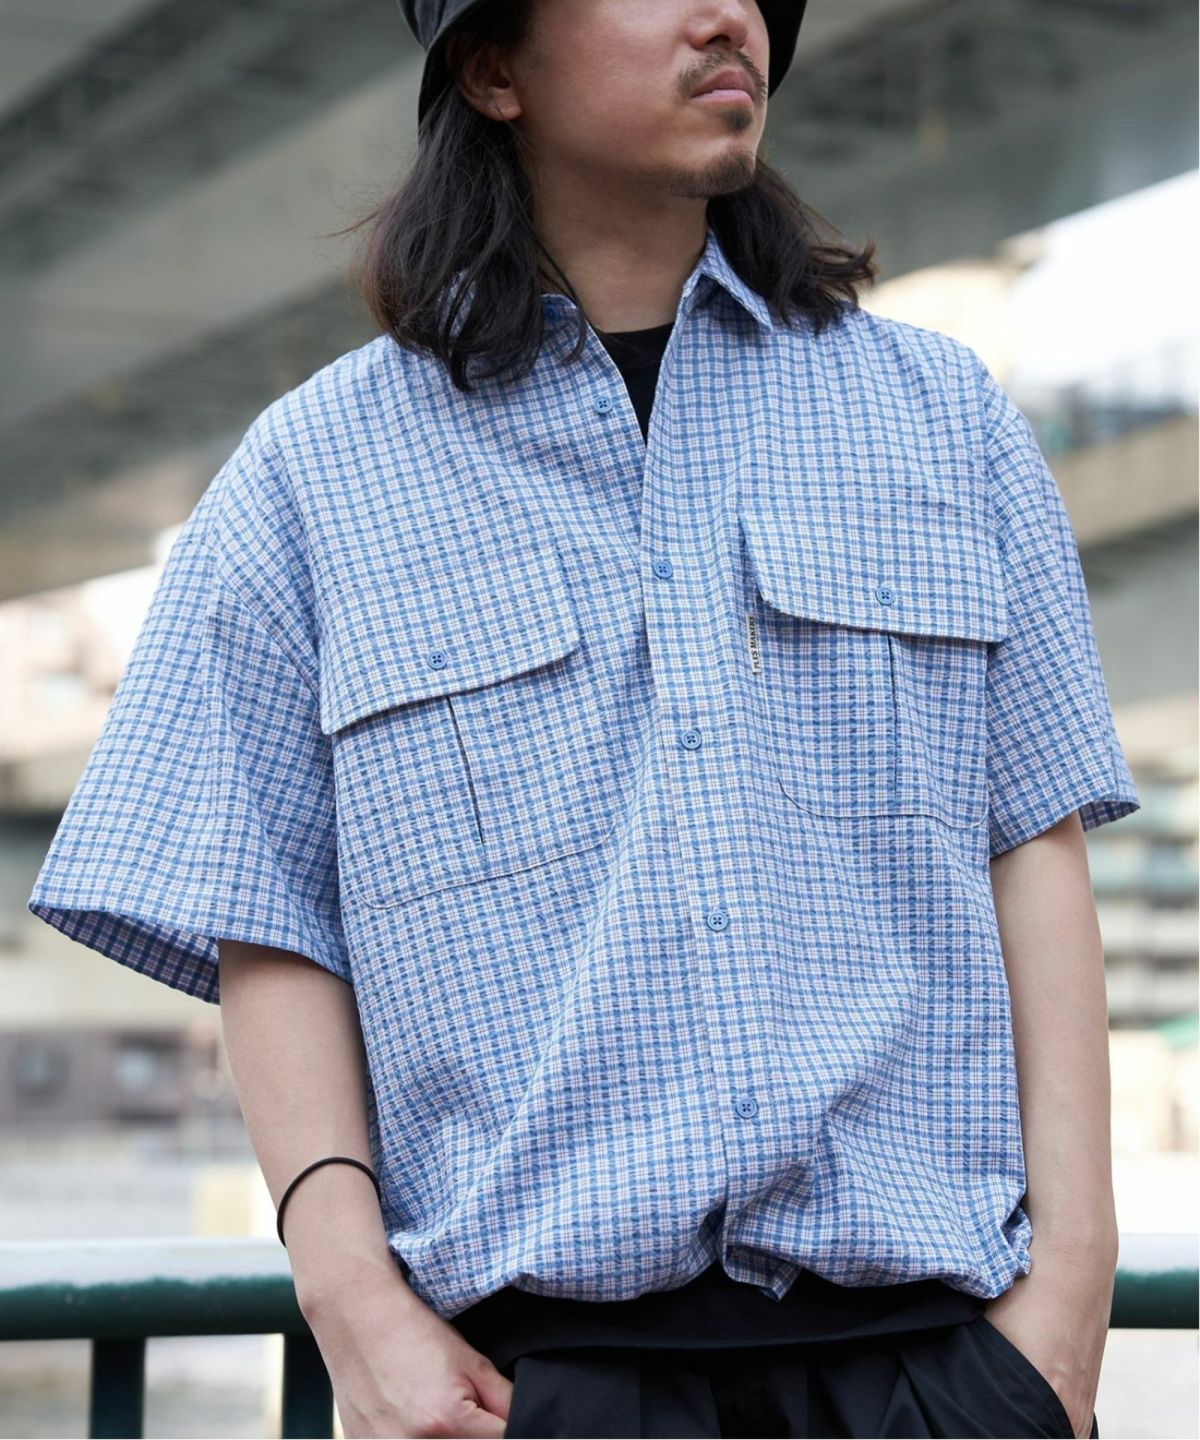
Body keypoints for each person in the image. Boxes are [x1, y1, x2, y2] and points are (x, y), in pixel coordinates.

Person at [27, 0, 1137, 1435]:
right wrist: (353, 1309)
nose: (730, 15)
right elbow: (270, 925)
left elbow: (1034, 850)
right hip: (533, 1386)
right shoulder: (310, 477)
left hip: (934, 1365)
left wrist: (1064, 1315)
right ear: (496, 68)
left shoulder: (943, 417)